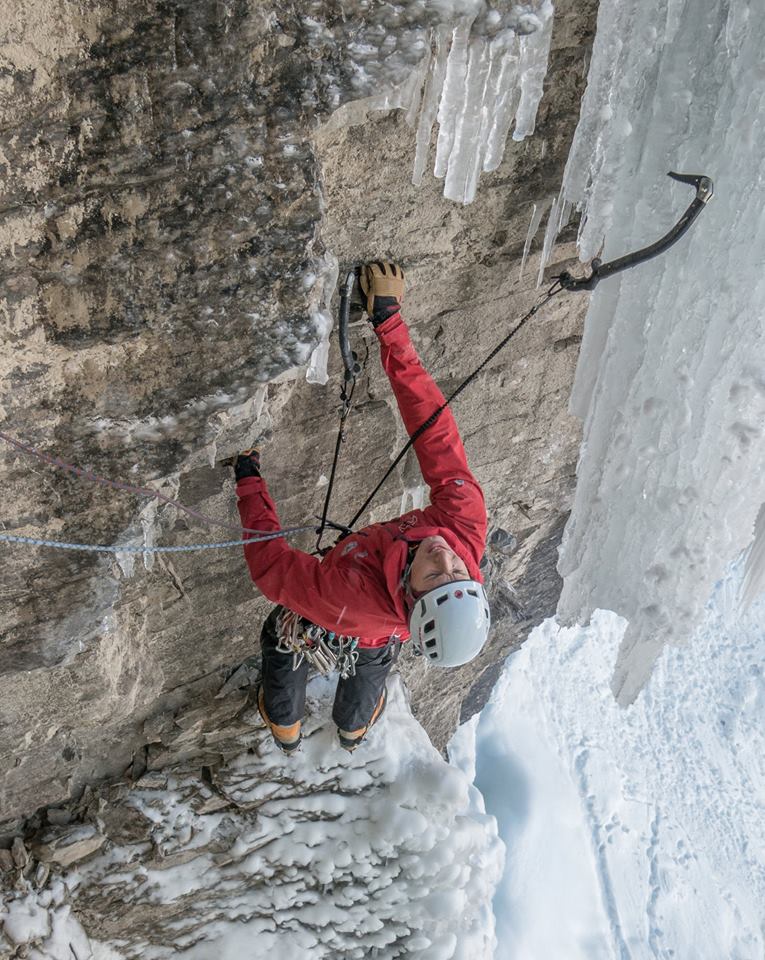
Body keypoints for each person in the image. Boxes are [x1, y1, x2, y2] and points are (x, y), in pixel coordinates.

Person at [234, 261, 490, 754]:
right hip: (379, 630)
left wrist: (249, 481)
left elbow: (271, 569)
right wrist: (389, 323)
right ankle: (351, 732)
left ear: (411, 597)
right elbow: (434, 430)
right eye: (460, 569)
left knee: (283, 640)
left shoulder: (343, 597)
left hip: (350, 612)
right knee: (371, 667)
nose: (443, 555)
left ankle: (285, 726)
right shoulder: (463, 524)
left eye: (435, 576)